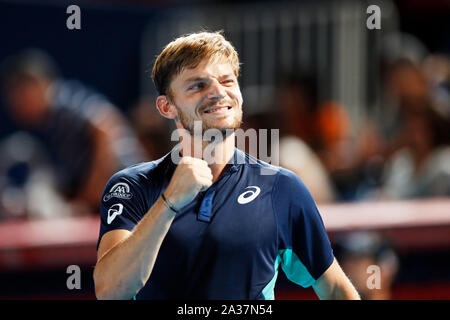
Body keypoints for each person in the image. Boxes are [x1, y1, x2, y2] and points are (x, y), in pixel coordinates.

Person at [93, 31, 360, 300]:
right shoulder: (131, 186)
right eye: (198, 85)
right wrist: (169, 202)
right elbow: (110, 290)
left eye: (227, 81)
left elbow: (336, 288)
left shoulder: (282, 188)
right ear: (167, 106)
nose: (219, 92)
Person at [0, 49, 145, 214]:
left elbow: (106, 129)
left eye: (18, 95)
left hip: (131, 193)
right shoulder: (53, 118)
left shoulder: (61, 100)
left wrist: (91, 195)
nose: (14, 105)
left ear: (35, 85)